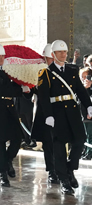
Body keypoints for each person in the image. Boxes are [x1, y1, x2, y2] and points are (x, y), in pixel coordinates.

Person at [37, 40, 92, 195]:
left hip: (73, 112)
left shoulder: (71, 70)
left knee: (80, 140)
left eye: (65, 52)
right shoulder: (46, 73)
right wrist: (48, 115)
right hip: (56, 113)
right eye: (60, 52)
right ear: (53, 55)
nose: (64, 54)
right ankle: (64, 181)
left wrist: (88, 105)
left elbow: (80, 90)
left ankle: (70, 169)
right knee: (59, 148)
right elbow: (43, 97)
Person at [0, 44, 29, 187]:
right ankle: (2, 173)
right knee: (0, 143)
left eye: (3, 56)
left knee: (17, 138)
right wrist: (19, 90)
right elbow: (2, 90)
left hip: (9, 108)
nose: (2, 58)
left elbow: (13, 86)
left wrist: (24, 86)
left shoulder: (9, 71)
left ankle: (8, 160)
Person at [31, 44, 58, 184]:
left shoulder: (64, 71)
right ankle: (52, 171)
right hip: (45, 113)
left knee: (59, 143)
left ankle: (62, 169)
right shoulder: (42, 73)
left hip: (60, 111)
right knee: (48, 143)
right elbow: (40, 92)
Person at [79, 67, 92, 160]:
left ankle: (89, 153)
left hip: (89, 115)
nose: (84, 79)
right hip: (82, 114)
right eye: (82, 77)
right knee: (85, 135)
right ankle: (85, 151)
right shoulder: (80, 87)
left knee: (89, 135)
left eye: (86, 76)